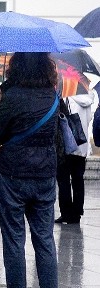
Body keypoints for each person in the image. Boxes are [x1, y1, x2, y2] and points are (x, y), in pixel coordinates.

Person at [0, 52, 61, 288]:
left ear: (17, 67)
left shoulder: (13, 95)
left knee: (14, 240)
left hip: (13, 175)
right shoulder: (53, 96)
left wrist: (1, 101)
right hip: (44, 173)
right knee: (45, 239)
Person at [56, 89, 96, 224]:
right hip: (82, 147)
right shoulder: (89, 98)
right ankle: (77, 212)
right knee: (78, 180)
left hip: (68, 146)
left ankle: (66, 213)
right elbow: (89, 119)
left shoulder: (68, 98)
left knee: (63, 180)